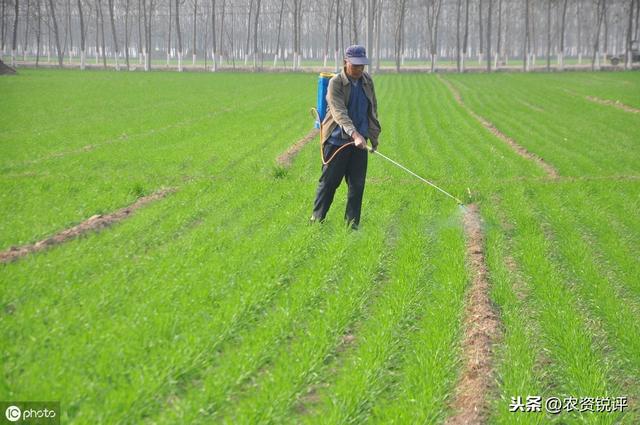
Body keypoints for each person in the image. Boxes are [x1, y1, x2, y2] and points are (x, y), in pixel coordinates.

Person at [310, 45, 382, 230]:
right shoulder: (336, 83)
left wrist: (373, 137)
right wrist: (355, 134)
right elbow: (339, 112)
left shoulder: (367, 80)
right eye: (355, 65)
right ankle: (317, 221)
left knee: (357, 186)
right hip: (336, 142)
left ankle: (352, 226)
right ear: (345, 62)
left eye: (362, 65)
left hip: (359, 144)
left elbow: (371, 109)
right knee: (329, 184)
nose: (359, 69)